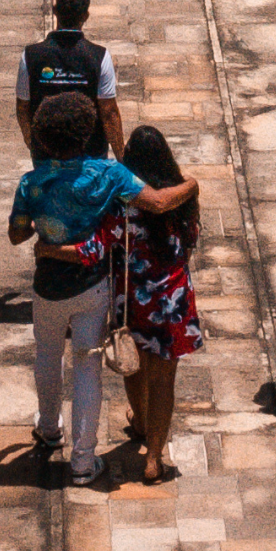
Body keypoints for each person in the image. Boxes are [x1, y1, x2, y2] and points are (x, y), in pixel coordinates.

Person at [10, 90, 195, 483]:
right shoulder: (129, 184)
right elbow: (166, 211)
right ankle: (118, 459)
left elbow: (40, 238)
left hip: (91, 294)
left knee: (78, 357)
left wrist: (49, 245)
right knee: (125, 374)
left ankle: (71, 425)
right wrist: (192, 185)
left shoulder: (43, 185)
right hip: (140, 296)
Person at [114, 125, 205, 482]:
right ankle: (154, 458)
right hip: (171, 298)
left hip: (131, 295)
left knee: (133, 363)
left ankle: (139, 420)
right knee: (164, 378)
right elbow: (191, 238)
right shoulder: (181, 198)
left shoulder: (122, 197)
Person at [16, 0, 124, 160]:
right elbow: (109, 112)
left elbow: (23, 107)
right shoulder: (99, 57)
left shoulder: (30, 55)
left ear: (54, 10)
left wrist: (34, 144)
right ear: (86, 15)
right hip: (91, 156)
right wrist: (121, 157)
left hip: (47, 155)